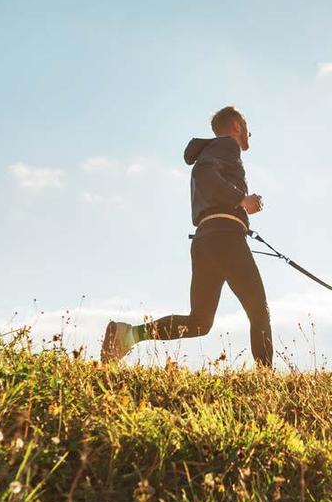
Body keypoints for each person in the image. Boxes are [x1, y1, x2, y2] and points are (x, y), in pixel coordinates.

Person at [100, 106, 273, 367]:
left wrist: (240, 206)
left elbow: (206, 177)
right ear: (236, 125)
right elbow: (204, 174)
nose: (250, 132)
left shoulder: (213, 150)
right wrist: (241, 199)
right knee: (258, 310)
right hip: (225, 237)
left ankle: (128, 334)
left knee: (200, 322)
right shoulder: (227, 145)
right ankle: (265, 380)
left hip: (206, 239)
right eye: (246, 125)